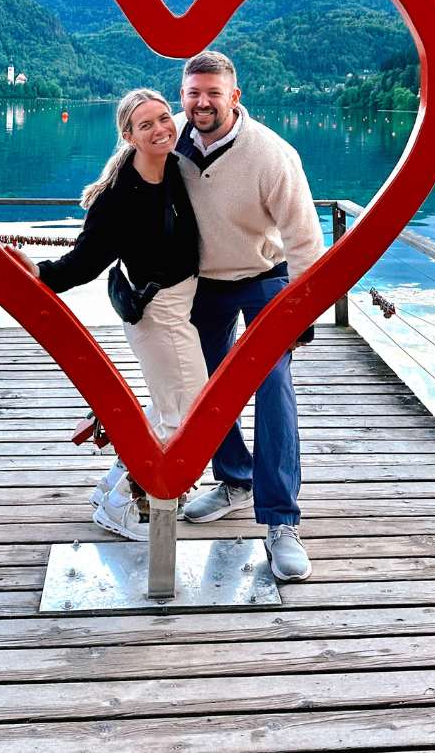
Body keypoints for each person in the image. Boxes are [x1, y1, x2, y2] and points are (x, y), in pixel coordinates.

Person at [8, 88, 208, 542]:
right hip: (157, 314)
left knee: (165, 409)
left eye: (164, 119)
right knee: (189, 416)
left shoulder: (175, 168)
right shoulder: (119, 197)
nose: (160, 129)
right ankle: (121, 500)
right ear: (128, 135)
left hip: (180, 309)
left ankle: (109, 488)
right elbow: (81, 264)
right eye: (146, 124)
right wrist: (37, 271)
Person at [174, 50, 324, 582]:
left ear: (235, 97)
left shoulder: (271, 155)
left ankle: (281, 520)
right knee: (205, 385)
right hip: (202, 283)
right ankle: (235, 480)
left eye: (213, 92)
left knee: (272, 384)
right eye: (194, 93)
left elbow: (305, 237)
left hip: (265, 280)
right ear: (182, 94)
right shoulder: (167, 140)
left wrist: (303, 313)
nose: (202, 102)